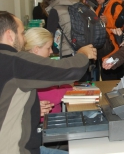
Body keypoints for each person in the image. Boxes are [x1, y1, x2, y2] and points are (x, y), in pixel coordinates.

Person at [0, 11, 96, 154]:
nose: (24, 40)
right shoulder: (14, 62)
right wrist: (82, 54)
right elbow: (67, 70)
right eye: (21, 33)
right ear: (10, 35)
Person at [25, 27, 73, 118]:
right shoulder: (35, 71)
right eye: (48, 48)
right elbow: (53, 97)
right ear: (36, 49)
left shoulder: (32, 66)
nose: (51, 52)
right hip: (47, 120)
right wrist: (68, 87)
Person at [92, 0, 124, 80]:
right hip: (104, 48)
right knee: (106, 76)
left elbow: (121, 27)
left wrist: (107, 22)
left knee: (112, 78)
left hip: (114, 48)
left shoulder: (116, 6)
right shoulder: (100, 7)